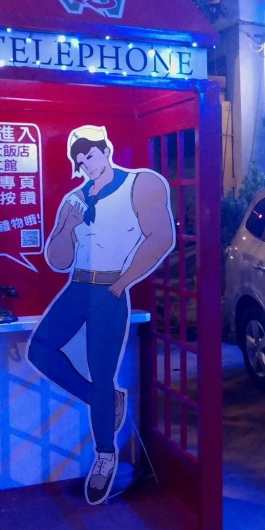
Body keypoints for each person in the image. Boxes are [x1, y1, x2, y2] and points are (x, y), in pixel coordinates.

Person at [28, 125, 175, 505]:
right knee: (40, 350)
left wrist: (123, 282)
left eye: (90, 156)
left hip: (111, 288)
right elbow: (57, 260)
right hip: (78, 285)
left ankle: (105, 456)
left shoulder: (140, 184)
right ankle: (105, 400)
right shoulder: (74, 200)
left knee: (102, 371)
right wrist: (67, 227)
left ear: (106, 150)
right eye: (80, 162)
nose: (87, 166)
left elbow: (162, 237)